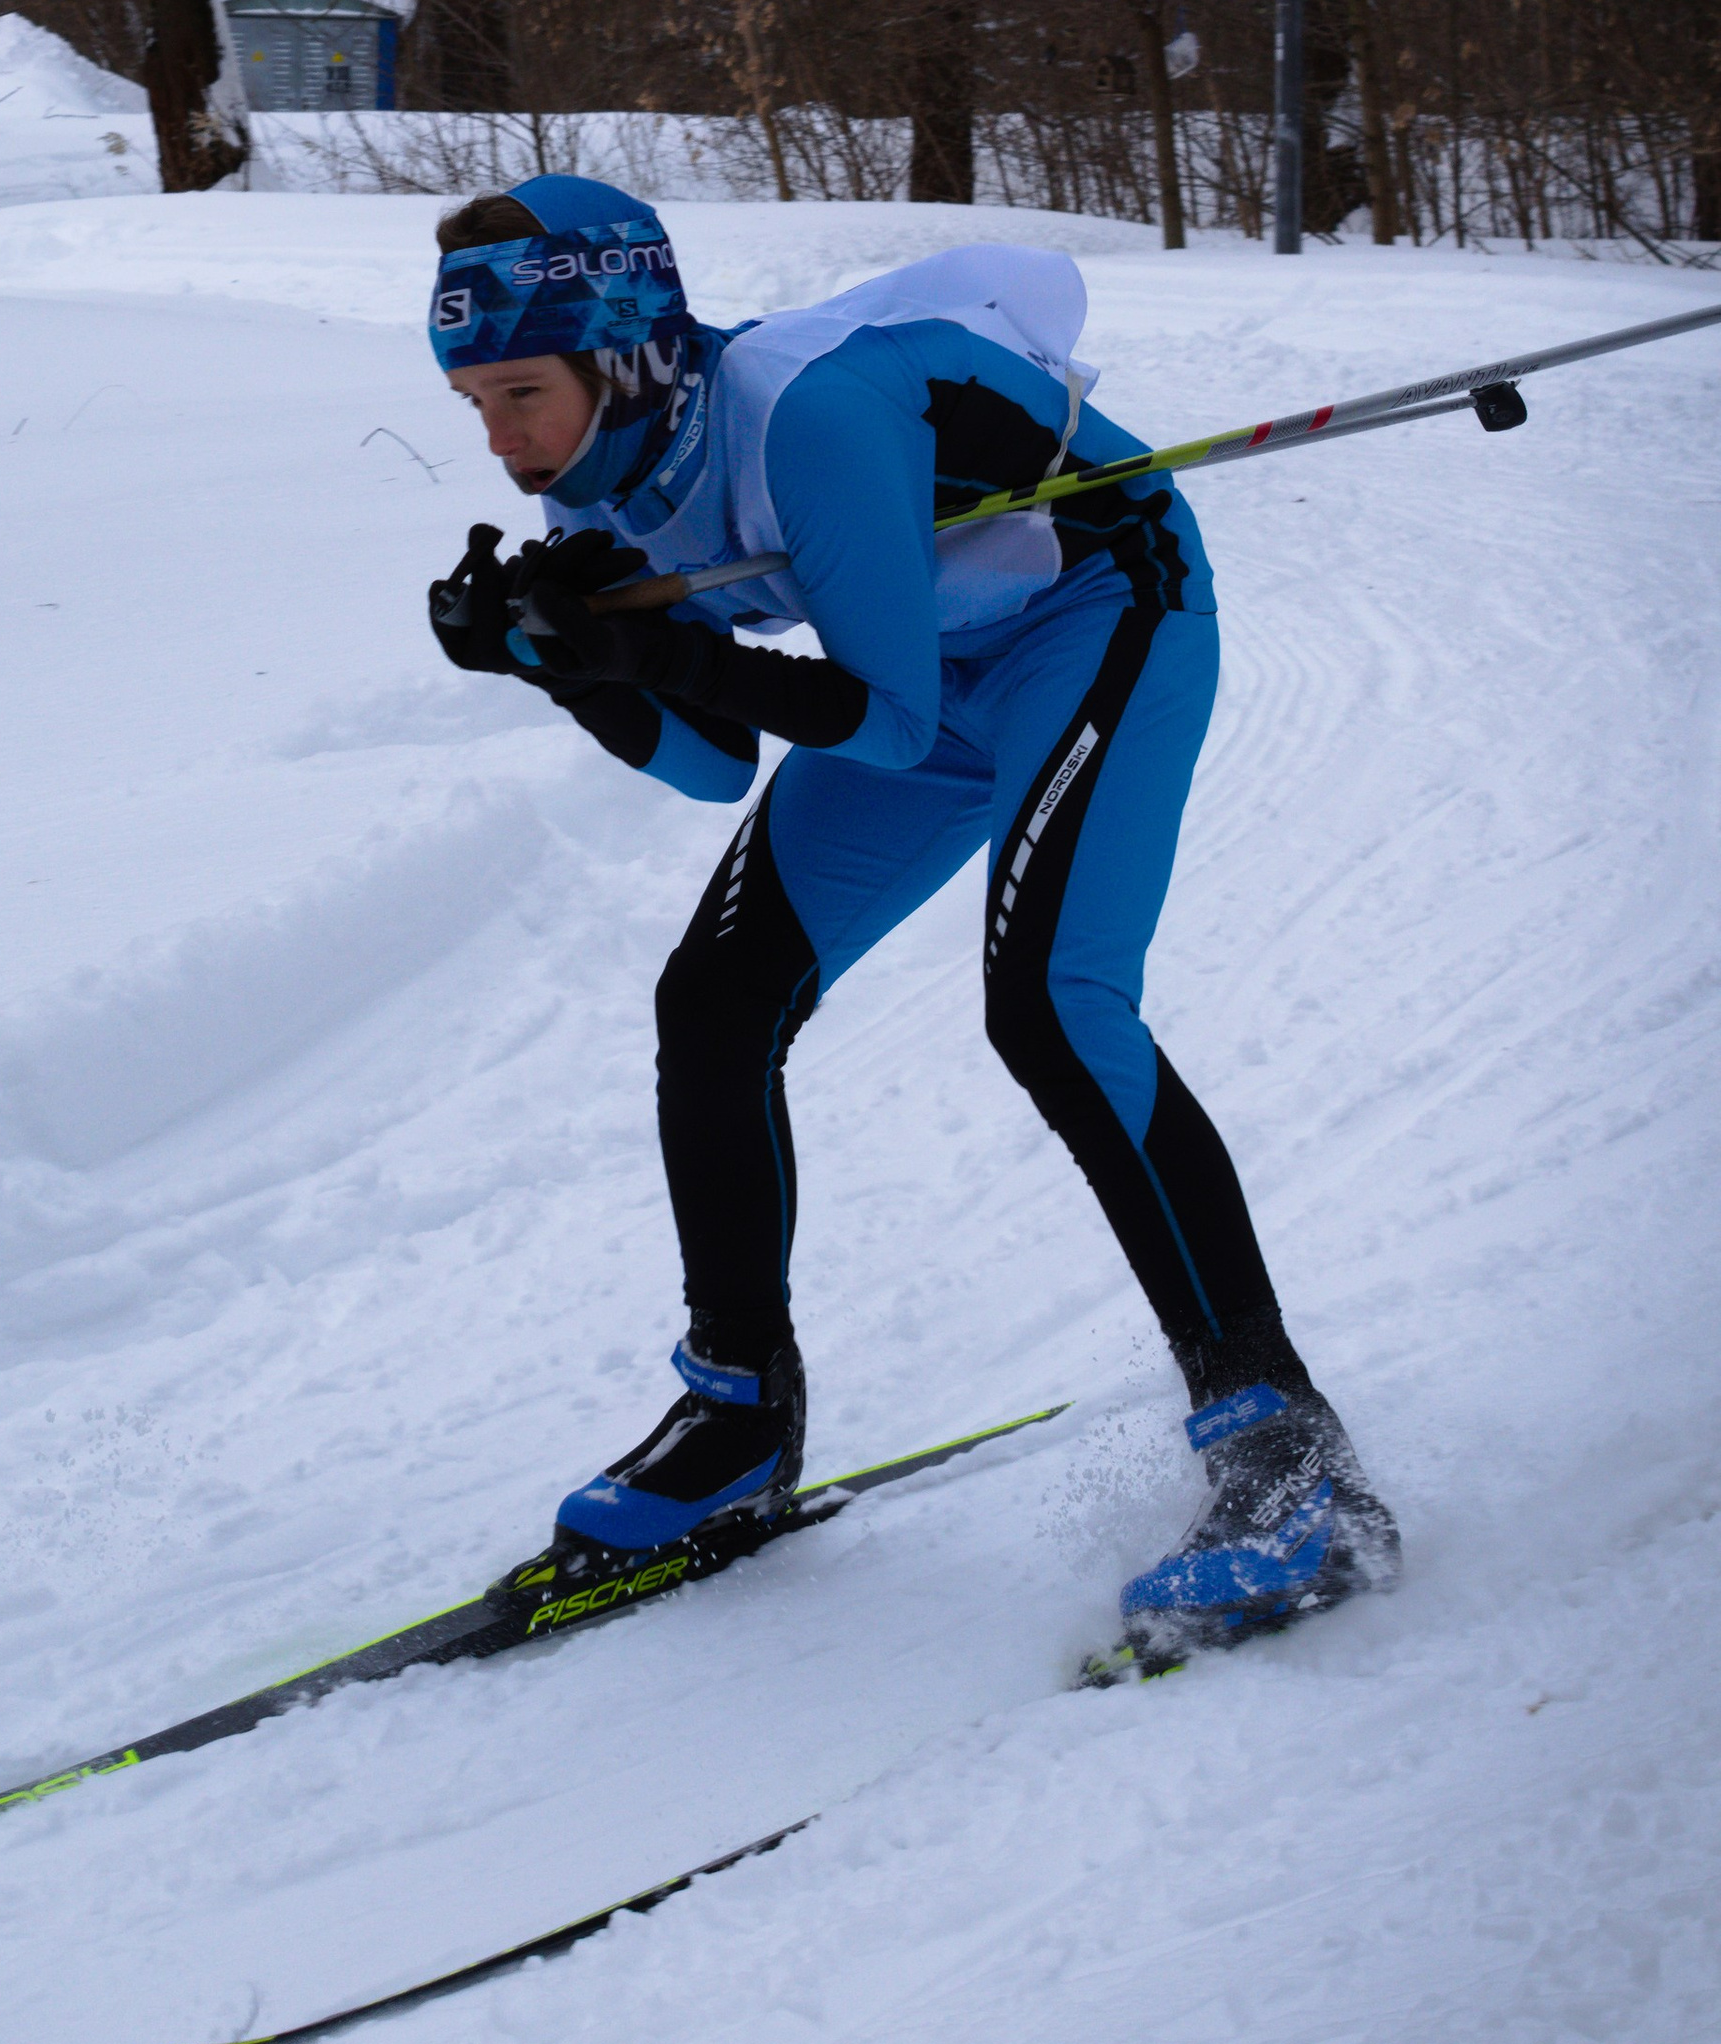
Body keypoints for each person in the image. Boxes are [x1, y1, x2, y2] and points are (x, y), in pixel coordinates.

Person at [425, 174, 1398, 1659]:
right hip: (919, 678)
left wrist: (655, 655)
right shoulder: (599, 473)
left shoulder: (805, 416)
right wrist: (566, 664)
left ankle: (1289, 1458)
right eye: (472, 397)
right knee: (719, 996)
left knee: (1054, 1008)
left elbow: (874, 723)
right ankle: (737, 1410)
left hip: (1095, 611)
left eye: (519, 391)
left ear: (618, 349)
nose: (499, 438)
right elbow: (709, 766)